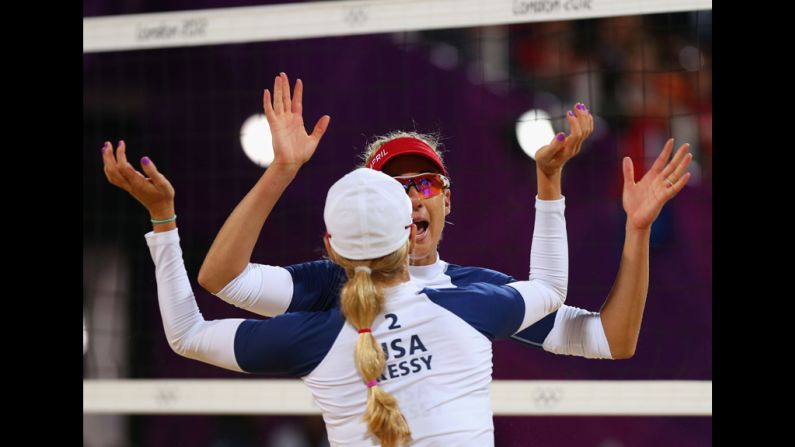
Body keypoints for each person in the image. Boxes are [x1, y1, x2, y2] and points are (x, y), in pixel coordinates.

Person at [101, 139, 571, 446]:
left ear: (330, 246)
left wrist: (164, 219)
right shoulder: (470, 306)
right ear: (410, 232)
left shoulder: (313, 337)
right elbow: (550, 287)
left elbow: (186, 334)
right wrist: (550, 184)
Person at [197, 73, 692, 360]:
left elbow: (611, 340)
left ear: (447, 201)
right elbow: (222, 279)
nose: (413, 198)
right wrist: (282, 169)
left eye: (426, 184)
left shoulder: (477, 293)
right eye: (395, 187)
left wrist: (638, 230)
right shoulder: (332, 284)